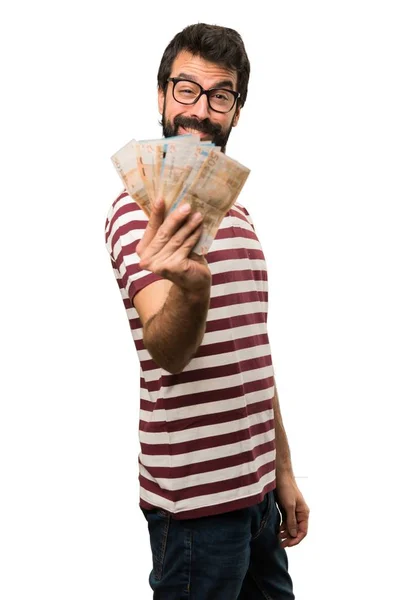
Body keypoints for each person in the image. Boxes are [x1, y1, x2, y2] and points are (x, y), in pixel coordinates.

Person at [105, 23, 309, 600]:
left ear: (236, 111)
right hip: (194, 512)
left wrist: (283, 472)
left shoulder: (238, 217)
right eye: (186, 90)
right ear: (162, 96)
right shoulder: (137, 210)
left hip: (259, 496)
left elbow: (254, 358)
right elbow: (167, 352)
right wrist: (192, 289)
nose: (200, 111)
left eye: (220, 96)